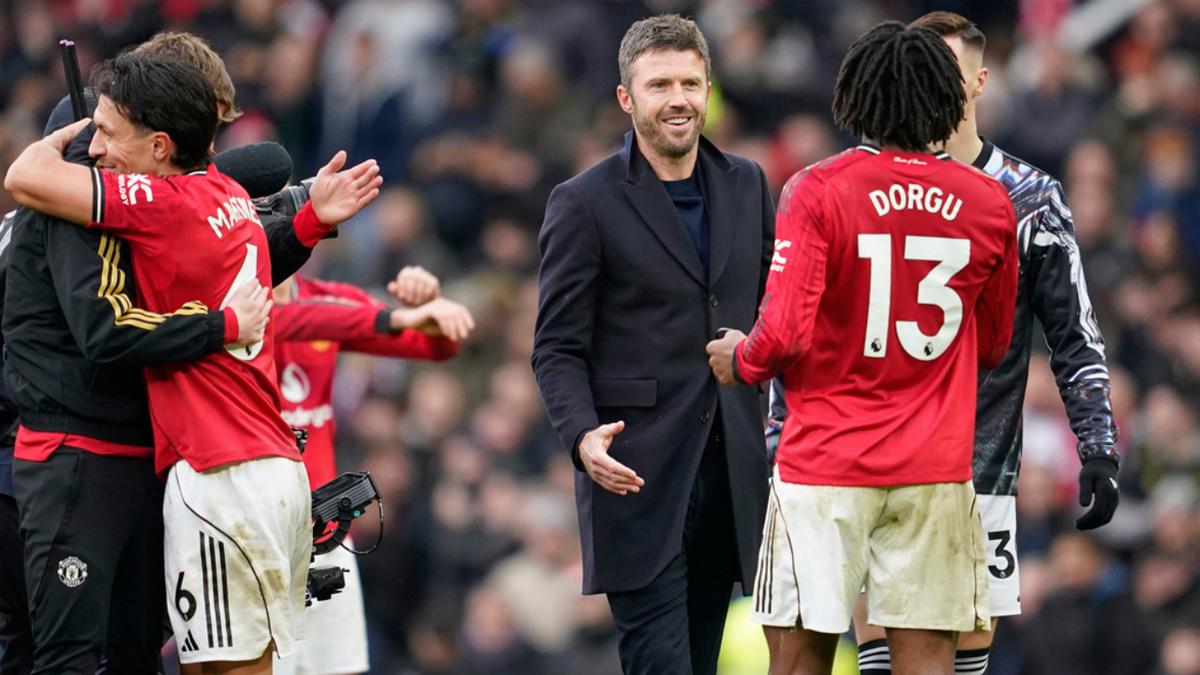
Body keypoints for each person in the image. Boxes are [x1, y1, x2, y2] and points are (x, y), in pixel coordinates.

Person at [4, 53, 381, 673]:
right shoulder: (226, 195)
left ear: (157, 144)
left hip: (219, 473)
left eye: (106, 129)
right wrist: (306, 221)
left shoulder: (154, 206)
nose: (97, 147)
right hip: (248, 466)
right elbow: (236, 261)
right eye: (92, 128)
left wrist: (62, 137)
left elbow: (26, 176)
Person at [706, 21, 1019, 675]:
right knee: (927, 663)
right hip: (933, 466)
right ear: (945, 98)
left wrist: (741, 359)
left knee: (798, 660)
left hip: (824, 464)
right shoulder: (989, 202)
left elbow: (783, 334)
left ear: (858, 97)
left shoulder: (819, 188)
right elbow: (993, 345)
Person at [840, 12, 1121, 675]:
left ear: (980, 83)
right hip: (872, 461)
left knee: (962, 661)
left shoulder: (1030, 198)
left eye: (945, 72)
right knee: (880, 653)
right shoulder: (863, 189)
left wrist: (1099, 444)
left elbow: (1076, 338)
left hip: (981, 470)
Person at [531, 14, 773, 675]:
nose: (678, 99)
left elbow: (770, 312)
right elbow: (555, 346)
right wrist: (582, 438)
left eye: (690, 82)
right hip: (636, 473)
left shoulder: (748, 183)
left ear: (709, 89)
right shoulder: (582, 202)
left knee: (698, 659)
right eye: (659, 83)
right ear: (625, 98)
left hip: (734, 476)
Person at [270, 266, 473, 675]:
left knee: (337, 668)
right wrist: (395, 316)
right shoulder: (218, 303)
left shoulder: (328, 299)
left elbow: (437, 346)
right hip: (254, 532)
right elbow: (277, 320)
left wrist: (428, 308)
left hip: (322, 531)